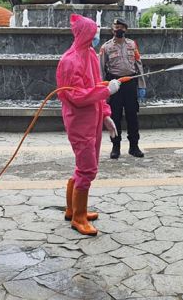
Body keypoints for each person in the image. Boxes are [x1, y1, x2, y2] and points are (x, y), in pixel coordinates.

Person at [57, 14, 119, 236]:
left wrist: (105, 114)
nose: (96, 37)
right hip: (78, 119)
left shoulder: (91, 54)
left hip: (92, 117)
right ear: (85, 34)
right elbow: (75, 96)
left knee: (84, 166)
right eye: (94, 33)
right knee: (87, 168)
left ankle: (72, 209)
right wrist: (106, 91)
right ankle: (79, 218)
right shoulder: (69, 60)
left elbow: (94, 85)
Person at [99, 18, 146, 159]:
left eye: (121, 27)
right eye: (116, 26)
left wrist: (141, 85)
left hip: (130, 83)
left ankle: (134, 146)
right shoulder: (105, 47)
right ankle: (115, 146)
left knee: (132, 115)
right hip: (114, 84)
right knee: (115, 116)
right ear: (112, 29)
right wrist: (103, 89)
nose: (118, 29)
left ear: (125, 29)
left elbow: (139, 64)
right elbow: (101, 69)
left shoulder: (132, 45)